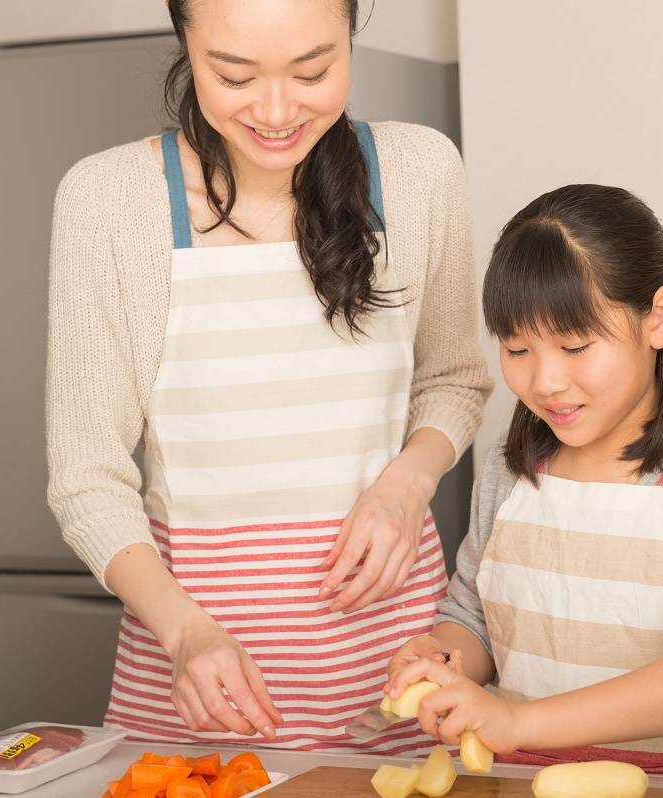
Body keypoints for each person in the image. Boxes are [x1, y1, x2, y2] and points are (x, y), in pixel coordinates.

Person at [44, 0, 491, 754]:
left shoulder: (420, 173)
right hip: (194, 697)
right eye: (235, 74)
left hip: (399, 689)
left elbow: (455, 378)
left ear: (352, 33)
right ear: (184, 40)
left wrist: (405, 484)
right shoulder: (107, 201)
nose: (278, 111)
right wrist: (186, 634)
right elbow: (85, 478)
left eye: (313, 70)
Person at [383, 184, 663, 777]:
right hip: (527, 778)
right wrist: (443, 658)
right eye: (517, 348)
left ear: (660, 317)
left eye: (575, 346)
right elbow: (475, 620)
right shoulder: (508, 469)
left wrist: (521, 722)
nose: (545, 381)